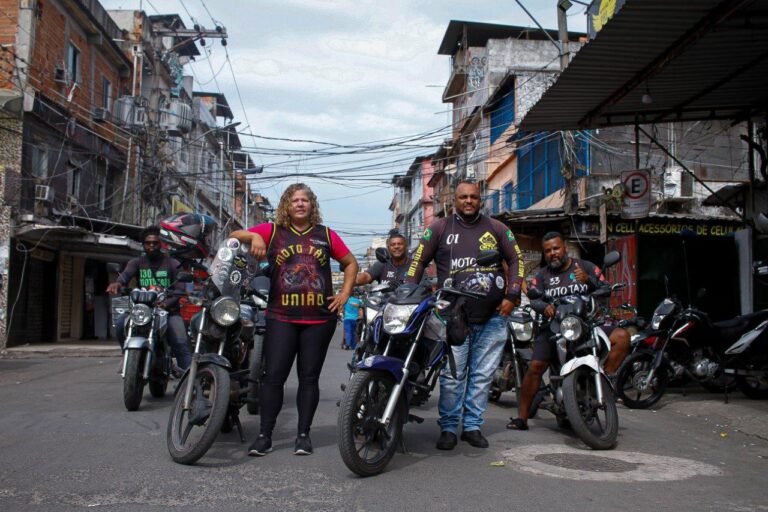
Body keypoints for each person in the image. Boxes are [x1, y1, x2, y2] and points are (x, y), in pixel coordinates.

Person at [230, 183, 358, 457]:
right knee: (273, 377)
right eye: (294, 200)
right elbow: (235, 234)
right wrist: (255, 239)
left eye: (305, 200)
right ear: (286, 206)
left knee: (308, 378)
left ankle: (303, 435)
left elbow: (350, 263)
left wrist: (345, 293)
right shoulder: (273, 230)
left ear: (312, 206)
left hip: (319, 321)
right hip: (281, 317)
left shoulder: (326, 235)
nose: (300, 204)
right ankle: (264, 436)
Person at [405, 181, 524, 450]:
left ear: (480, 200)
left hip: (493, 317)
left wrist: (512, 295)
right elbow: (418, 262)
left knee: (482, 375)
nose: (468, 201)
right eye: (463, 197)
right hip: (453, 317)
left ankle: (472, 426)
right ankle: (448, 427)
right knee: (452, 376)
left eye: (473, 197)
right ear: (454, 201)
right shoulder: (438, 229)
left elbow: (516, 260)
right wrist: (408, 293)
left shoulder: (497, 228)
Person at [506, 231, 631, 431]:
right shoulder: (543, 275)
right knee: (536, 366)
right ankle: (522, 417)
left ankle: (606, 382)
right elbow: (534, 297)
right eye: (548, 251)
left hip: (587, 325)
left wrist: (588, 281)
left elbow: (605, 288)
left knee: (623, 337)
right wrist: (543, 307)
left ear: (564, 247)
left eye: (556, 248)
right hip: (555, 327)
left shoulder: (585, 267)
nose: (552, 253)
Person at [106, 225, 192, 370]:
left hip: (168, 311)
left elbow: (180, 288)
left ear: (161, 244)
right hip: (142, 310)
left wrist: (166, 303)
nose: (151, 246)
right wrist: (118, 283)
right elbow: (126, 276)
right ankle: (126, 354)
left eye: (155, 243)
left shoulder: (172, 263)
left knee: (180, 340)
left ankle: (191, 380)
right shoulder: (137, 262)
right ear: (143, 244)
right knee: (121, 323)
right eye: (148, 243)